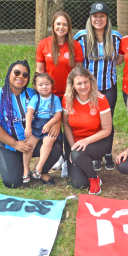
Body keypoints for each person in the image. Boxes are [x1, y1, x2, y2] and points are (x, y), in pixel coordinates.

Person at [0, 60, 62, 188]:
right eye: (17, 72)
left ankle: (41, 171)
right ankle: (19, 164)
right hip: (8, 144)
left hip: (32, 140)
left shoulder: (33, 94)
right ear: (9, 73)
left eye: (25, 75)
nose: (20, 76)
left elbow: (53, 107)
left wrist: (56, 124)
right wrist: (15, 144)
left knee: (56, 145)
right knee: (13, 182)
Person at [74, 2, 122, 172]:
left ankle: (107, 152)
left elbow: (120, 58)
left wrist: (108, 69)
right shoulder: (81, 37)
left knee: (107, 121)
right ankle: (95, 154)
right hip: (89, 88)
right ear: (90, 18)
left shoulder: (116, 37)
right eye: (95, 16)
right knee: (91, 122)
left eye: (102, 16)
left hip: (109, 86)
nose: (98, 19)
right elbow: (77, 62)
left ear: (107, 18)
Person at [36, 11, 83, 174]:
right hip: (50, 95)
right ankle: (58, 157)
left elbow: (78, 72)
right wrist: (40, 93)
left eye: (64, 24)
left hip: (69, 93)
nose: (61, 27)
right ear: (53, 26)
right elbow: (40, 71)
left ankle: (69, 161)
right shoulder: (43, 44)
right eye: (58, 24)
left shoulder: (75, 46)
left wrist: (75, 92)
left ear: (68, 27)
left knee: (68, 125)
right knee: (54, 128)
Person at [62, 67, 113, 194]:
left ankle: (94, 179)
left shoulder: (100, 99)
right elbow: (66, 125)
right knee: (78, 184)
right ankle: (89, 169)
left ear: (91, 82)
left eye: (86, 82)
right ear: (73, 85)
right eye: (79, 83)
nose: (83, 86)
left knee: (78, 154)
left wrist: (86, 141)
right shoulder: (67, 98)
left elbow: (107, 130)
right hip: (77, 144)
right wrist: (73, 146)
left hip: (98, 141)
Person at [23, 73, 62, 184]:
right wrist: (28, 127)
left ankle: (39, 167)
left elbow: (58, 115)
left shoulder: (55, 99)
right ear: (35, 87)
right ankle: (26, 169)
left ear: (51, 85)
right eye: (40, 85)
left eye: (47, 84)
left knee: (49, 141)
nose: (44, 87)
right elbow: (29, 113)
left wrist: (50, 124)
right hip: (36, 124)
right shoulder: (35, 98)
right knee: (29, 145)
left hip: (49, 123)